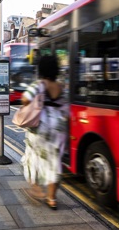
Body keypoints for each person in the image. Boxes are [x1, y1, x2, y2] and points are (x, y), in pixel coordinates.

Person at [20, 55, 68, 210]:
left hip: (41, 126)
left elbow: (25, 98)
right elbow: (66, 108)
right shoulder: (60, 86)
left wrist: (35, 101)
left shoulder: (40, 84)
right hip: (58, 128)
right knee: (54, 163)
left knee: (32, 156)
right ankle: (52, 198)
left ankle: (36, 188)